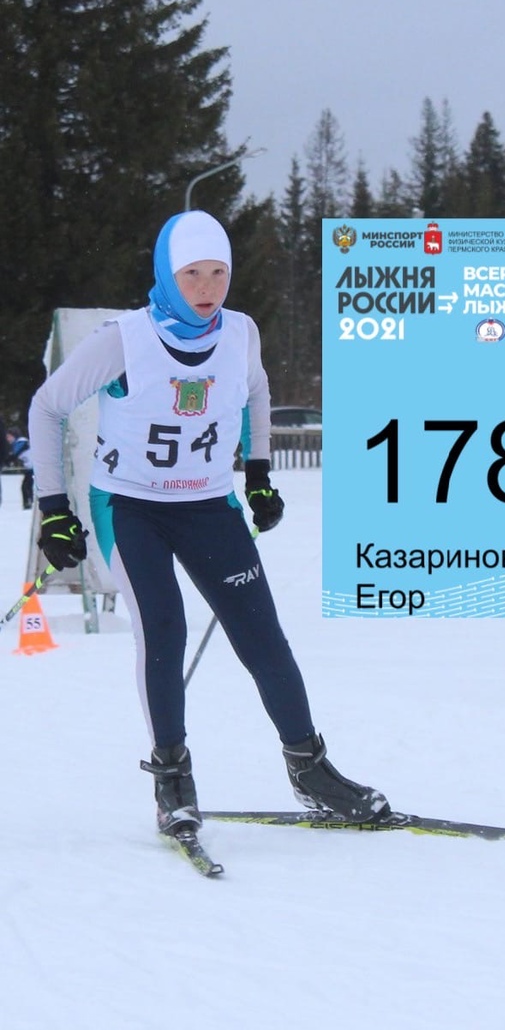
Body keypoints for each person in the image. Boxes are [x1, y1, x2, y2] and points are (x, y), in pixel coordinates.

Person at [28, 210, 389, 837]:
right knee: (163, 632)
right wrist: (55, 509)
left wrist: (259, 473)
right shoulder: (123, 339)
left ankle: (310, 769)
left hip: (207, 506)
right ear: (167, 275)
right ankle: (172, 779)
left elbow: (257, 392)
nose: (206, 287)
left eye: (218, 273)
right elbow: (47, 406)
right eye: (191, 273)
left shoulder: (241, 332)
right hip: (131, 508)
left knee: (263, 637)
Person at [5, 427, 34, 508]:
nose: (8, 439)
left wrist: (8, 460)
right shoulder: (16, 444)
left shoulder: (21, 441)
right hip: (29, 468)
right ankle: (28, 502)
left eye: (9, 436)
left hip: (33, 467)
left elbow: (16, 453)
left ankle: (29, 503)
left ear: (14, 435)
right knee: (26, 486)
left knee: (26, 486)